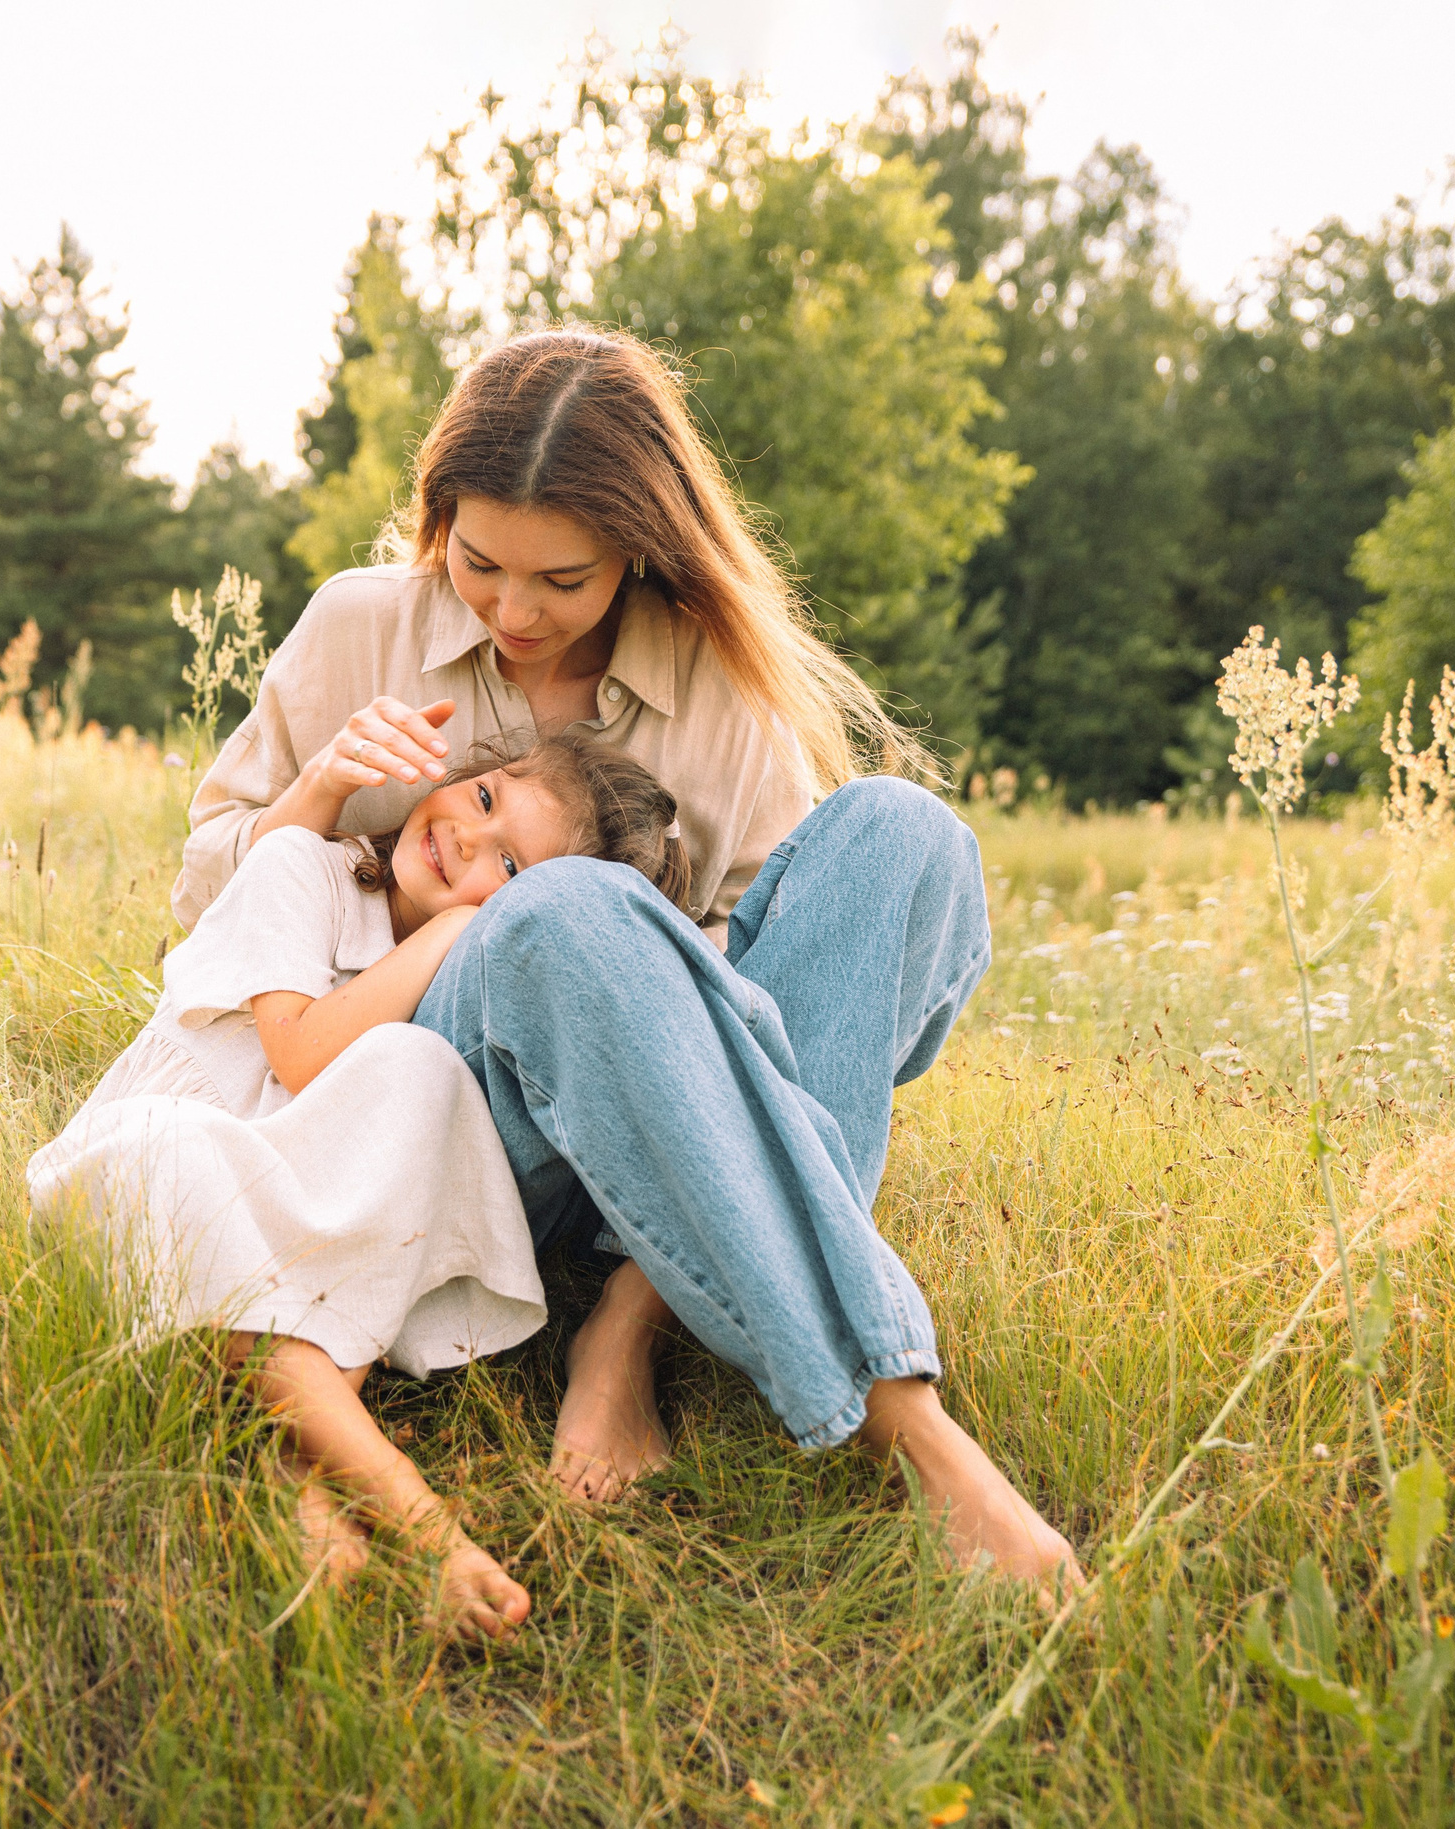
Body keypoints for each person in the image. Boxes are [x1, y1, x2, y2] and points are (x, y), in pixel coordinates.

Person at [176, 328, 1078, 1584]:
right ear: (440, 518)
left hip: (653, 1123)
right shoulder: (362, 623)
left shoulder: (713, 680)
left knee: (904, 833)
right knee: (562, 914)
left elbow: (789, 1001)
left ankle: (633, 1316)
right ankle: (910, 1426)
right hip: (426, 1106)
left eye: (564, 578)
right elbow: (207, 875)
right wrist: (325, 796)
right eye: (479, 562)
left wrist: (652, 970)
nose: (511, 609)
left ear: (641, 552)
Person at [32, 731, 691, 1639]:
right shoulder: (301, 866)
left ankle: (300, 1471)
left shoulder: (452, 994)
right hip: (156, 1166)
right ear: (462, 771)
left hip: (297, 1218)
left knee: (422, 1069)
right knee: (193, 1158)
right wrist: (462, 925)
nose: (466, 838)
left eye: (506, 864)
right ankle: (424, 1527)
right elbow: (298, 1052)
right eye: (487, 799)